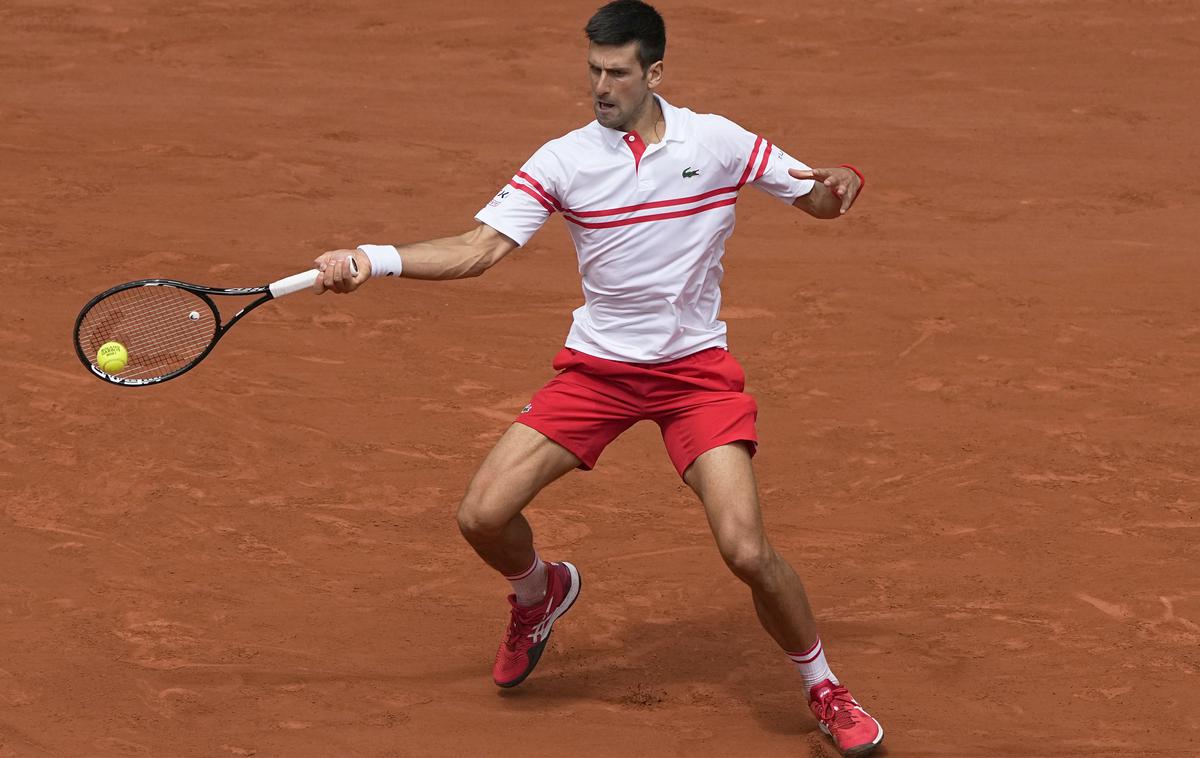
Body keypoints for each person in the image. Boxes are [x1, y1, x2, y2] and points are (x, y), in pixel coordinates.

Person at [311, 1, 882, 754]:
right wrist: (372, 257)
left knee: (745, 549)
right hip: (598, 372)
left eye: (616, 72)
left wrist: (837, 184)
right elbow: (480, 248)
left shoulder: (715, 142)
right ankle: (538, 592)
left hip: (694, 378)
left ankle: (824, 688)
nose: (601, 87)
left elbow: (816, 199)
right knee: (481, 516)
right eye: (592, 72)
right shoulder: (565, 158)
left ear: (655, 72)